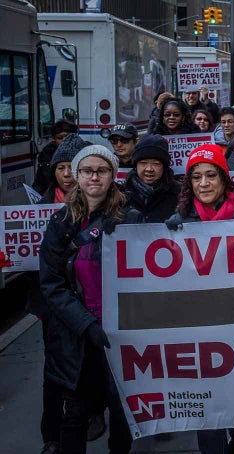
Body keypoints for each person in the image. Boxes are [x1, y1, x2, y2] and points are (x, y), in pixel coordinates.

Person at [39, 145, 142, 454]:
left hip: (119, 334)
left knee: (121, 411)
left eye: (102, 170)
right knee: (75, 412)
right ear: (77, 175)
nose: (94, 177)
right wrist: (85, 324)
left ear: (113, 175)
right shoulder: (60, 223)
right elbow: (52, 284)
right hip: (76, 336)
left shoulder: (132, 218)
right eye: (87, 171)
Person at [165, 144, 234, 453]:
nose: (204, 184)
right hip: (200, 328)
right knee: (207, 409)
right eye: (196, 177)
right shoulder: (180, 221)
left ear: (224, 178)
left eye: (210, 175)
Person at [26, 133, 88, 454]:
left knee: (85, 367)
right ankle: (51, 434)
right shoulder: (38, 203)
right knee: (55, 369)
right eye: (60, 167)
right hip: (51, 305)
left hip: (87, 302)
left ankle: (90, 416)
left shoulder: (96, 202)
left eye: (71, 166)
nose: (65, 173)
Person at [123, 134, 181, 223]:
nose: (149, 169)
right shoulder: (121, 194)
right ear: (136, 165)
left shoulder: (180, 193)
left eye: (156, 164)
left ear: (164, 167)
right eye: (143, 163)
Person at [34, 119, 78, 194]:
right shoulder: (47, 154)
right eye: (60, 138)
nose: (64, 141)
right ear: (54, 139)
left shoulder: (84, 150)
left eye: (67, 137)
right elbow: (41, 181)